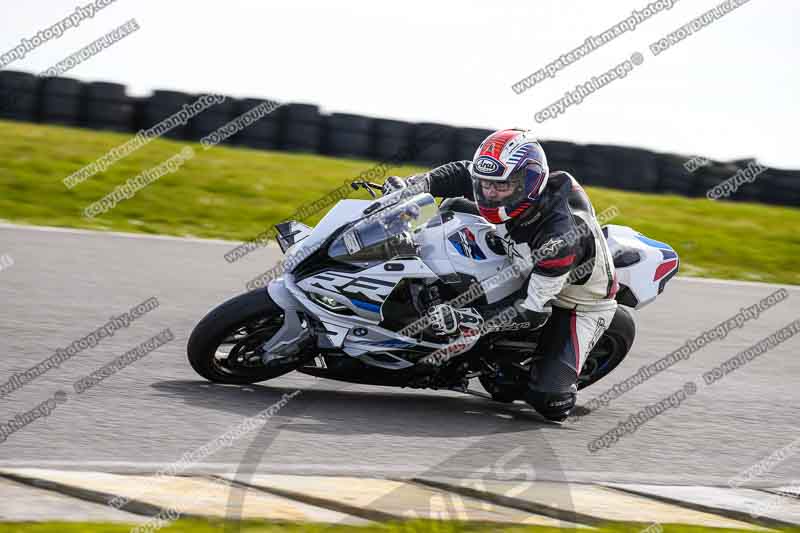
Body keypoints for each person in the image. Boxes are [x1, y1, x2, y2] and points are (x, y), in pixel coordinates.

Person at [382, 128, 618, 422]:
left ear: (528, 184)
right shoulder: (505, 185)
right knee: (452, 208)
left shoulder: (560, 238)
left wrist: (469, 317)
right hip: (520, 256)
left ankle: (544, 369)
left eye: (500, 187)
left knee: (550, 402)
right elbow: (462, 174)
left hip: (573, 302)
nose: (489, 194)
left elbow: (533, 310)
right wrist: (412, 187)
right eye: (485, 185)